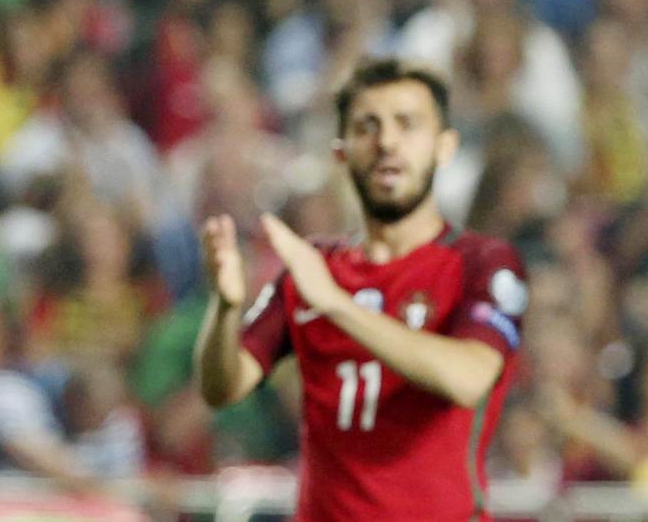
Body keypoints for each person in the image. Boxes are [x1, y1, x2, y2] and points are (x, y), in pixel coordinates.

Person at [195, 58, 528, 521]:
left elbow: (467, 379)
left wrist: (338, 306)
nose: (386, 142)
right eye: (367, 127)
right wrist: (225, 307)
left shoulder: (482, 263)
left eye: (407, 125)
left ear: (444, 147)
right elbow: (223, 386)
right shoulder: (313, 267)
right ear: (341, 152)